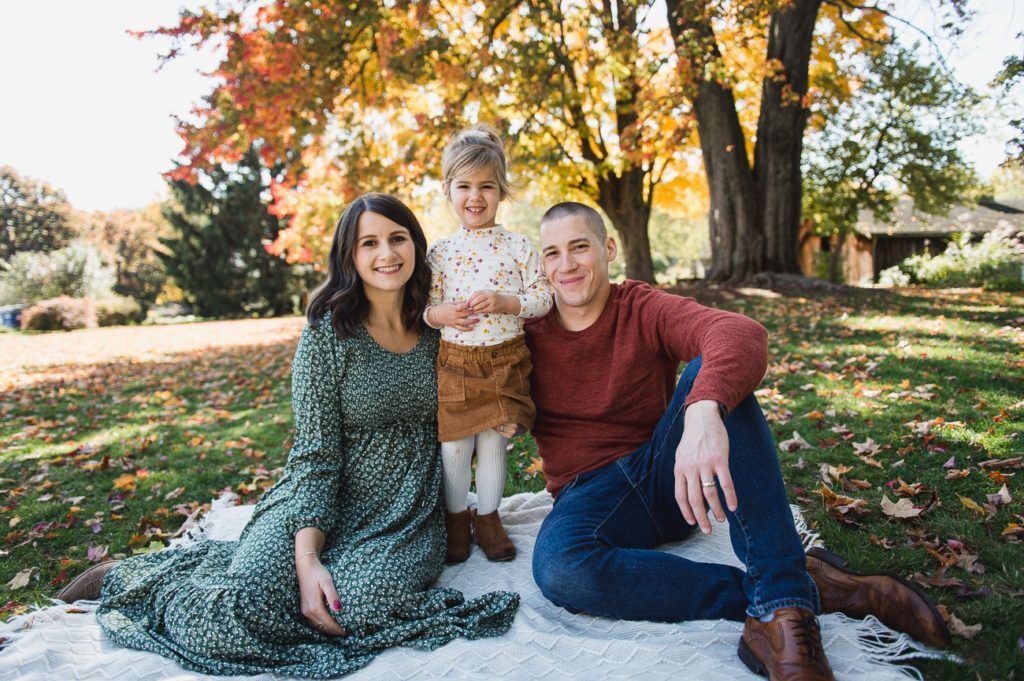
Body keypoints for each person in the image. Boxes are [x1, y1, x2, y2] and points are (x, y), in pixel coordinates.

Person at [57, 194, 519, 678]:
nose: (387, 254)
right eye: (370, 243)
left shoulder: (441, 327)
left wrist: (504, 410)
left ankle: (258, 579)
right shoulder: (328, 333)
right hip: (318, 493)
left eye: (397, 238)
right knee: (226, 620)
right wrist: (307, 557)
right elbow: (315, 452)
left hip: (403, 509)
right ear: (350, 256)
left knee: (352, 608)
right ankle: (141, 577)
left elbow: (492, 372)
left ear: (416, 245)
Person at [525, 202, 951, 681]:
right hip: (592, 497)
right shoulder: (524, 330)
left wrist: (704, 409)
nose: (566, 265)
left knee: (717, 376)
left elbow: (738, 331)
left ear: (608, 248)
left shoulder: (641, 307)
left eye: (579, 247)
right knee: (561, 569)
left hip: (671, 479)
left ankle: (778, 616)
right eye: (552, 253)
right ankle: (791, 588)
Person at [423, 126, 552, 564]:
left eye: (486, 187)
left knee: (495, 441)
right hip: (457, 363)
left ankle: (490, 517)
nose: (475, 197)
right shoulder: (440, 253)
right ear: (448, 190)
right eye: (464, 186)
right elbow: (423, 308)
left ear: (501, 192)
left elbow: (542, 299)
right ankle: (457, 519)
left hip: (504, 362)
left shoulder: (518, 246)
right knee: (456, 446)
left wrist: (505, 302)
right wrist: (440, 315)